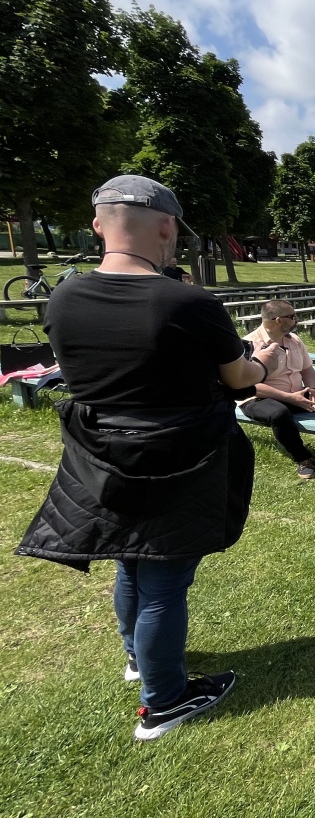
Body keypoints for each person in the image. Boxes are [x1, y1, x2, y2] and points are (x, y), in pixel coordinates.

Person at [15, 174, 283, 741]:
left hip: (98, 456)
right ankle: (163, 701)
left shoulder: (62, 299)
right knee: (163, 577)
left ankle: (137, 656)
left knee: (128, 559)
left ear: (96, 224)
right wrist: (264, 364)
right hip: (178, 454)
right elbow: (238, 379)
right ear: (165, 227)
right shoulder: (187, 300)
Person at [238, 300, 315, 480]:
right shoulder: (249, 344)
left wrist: (313, 389)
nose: (297, 319)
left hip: (296, 393)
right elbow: (247, 384)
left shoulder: (295, 340)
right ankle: (303, 458)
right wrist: (290, 398)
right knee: (278, 414)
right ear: (278, 321)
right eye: (292, 317)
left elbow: (307, 370)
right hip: (257, 398)